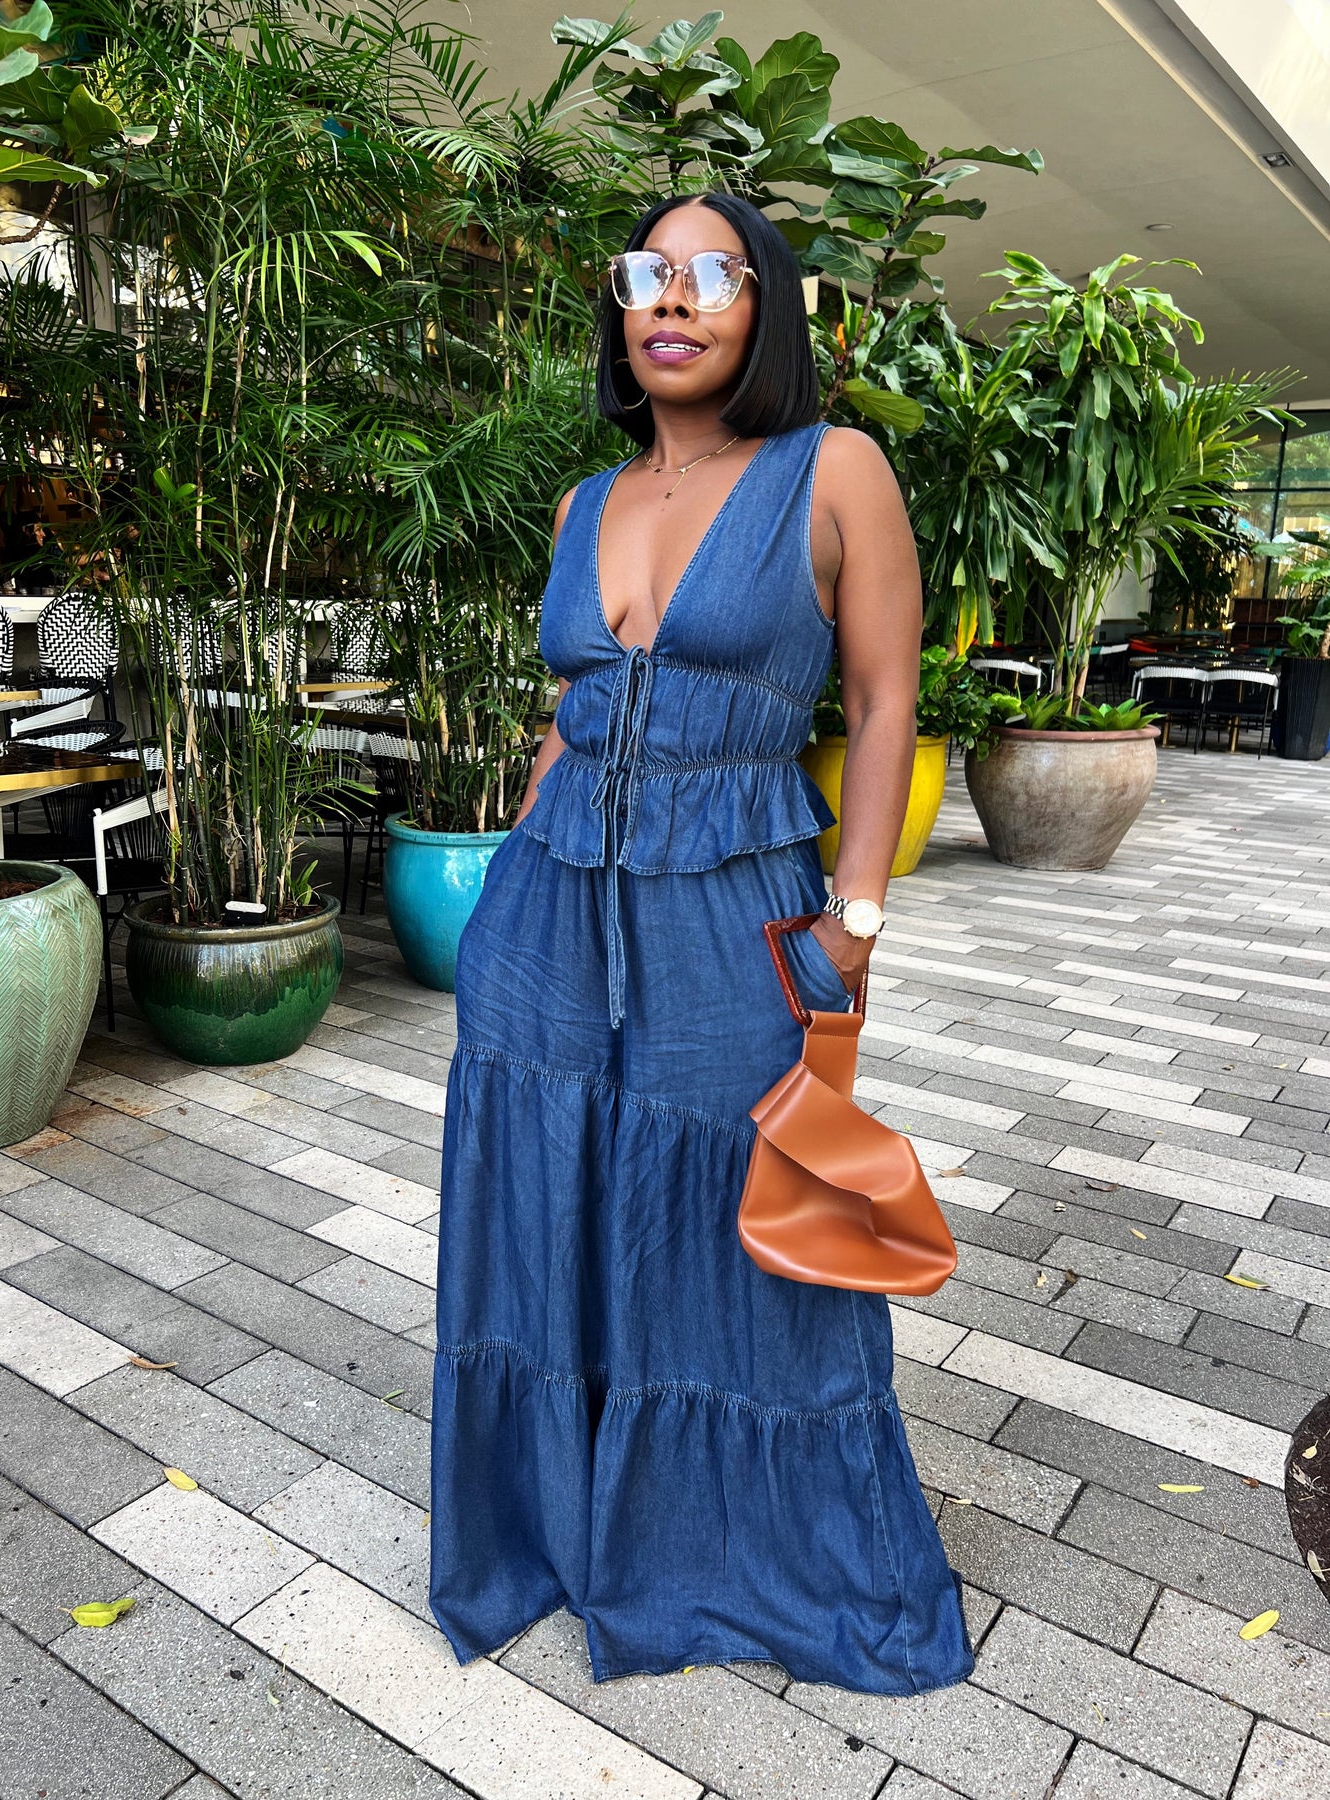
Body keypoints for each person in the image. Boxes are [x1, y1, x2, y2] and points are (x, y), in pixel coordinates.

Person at [429, 190, 975, 1693]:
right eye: (646, 276)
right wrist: (500, 890)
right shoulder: (583, 503)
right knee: (553, 1203)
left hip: (736, 901)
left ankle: (735, 1544)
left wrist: (855, 918)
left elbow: (882, 701)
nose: (670, 300)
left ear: (764, 305)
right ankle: (562, 1524)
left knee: (744, 1212)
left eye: (710, 275)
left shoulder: (833, 471)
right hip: (548, 918)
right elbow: (574, 713)